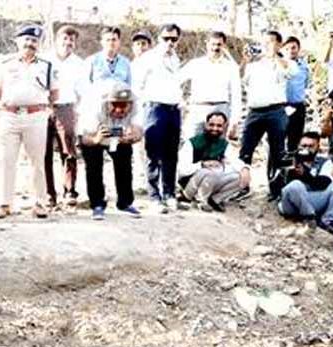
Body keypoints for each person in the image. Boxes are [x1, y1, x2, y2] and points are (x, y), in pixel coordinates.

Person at [0, 24, 55, 220]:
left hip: (35, 117)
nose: (30, 43)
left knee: (37, 162)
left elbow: (54, 93)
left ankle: (39, 203)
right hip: (10, 116)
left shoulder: (46, 65)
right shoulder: (5, 63)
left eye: (34, 40)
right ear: (18, 41)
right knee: (6, 160)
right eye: (26, 40)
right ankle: (4, 203)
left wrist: (42, 109)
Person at [239, 30, 297, 198]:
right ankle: (242, 186)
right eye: (264, 42)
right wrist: (245, 60)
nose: (266, 45)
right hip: (255, 111)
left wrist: (275, 56)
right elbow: (241, 78)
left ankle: (276, 190)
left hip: (276, 111)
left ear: (279, 44)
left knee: (277, 151)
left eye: (270, 41)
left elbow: (291, 72)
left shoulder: (286, 62)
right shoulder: (254, 64)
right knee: (246, 149)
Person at [134, 23, 183, 213]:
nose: (170, 42)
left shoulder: (175, 59)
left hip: (173, 110)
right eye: (166, 38)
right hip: (154, 109)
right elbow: (137, 87)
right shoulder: (148, 58)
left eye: (174, 39)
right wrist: (140, 115)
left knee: (171, 154)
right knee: (153, 153)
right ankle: (154, 196)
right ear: (159, 39)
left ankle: (169, 193)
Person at [78, 83, 143, 220]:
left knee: (125, 165)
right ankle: (97, 204)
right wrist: (96, 139)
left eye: (124, 105)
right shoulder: (94, 109)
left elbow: (139, 133)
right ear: (107, 103)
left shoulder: (136, 108)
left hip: (119, 138)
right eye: (115, 105)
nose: (119, 110)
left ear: (130, 104)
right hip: (94, 135)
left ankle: (125, 203)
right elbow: (84, 139)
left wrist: (130, 138)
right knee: (94, 167)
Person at [177, 111, 250, 211]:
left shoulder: (224, 144)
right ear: (206, 125)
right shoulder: (191, 143)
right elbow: (182, 170)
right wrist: (202, 164)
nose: (215, 128)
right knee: (208, 172)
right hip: (191, 183)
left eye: (219, 126)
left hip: (211, 181)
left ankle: (215, 200)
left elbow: (235, 160)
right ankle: (197, 200)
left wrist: (245, 169)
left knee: (239, 176)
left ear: (224, 127)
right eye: (211, 125)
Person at [44, 24, 83, 208]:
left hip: (66, 109)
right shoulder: (45, 59)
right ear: (57, 40)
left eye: (71, 40)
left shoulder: (79, 64)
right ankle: (49, 194)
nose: (68, 43)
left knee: (68, 152)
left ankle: (69, 191)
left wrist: (78, 112)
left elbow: (82, 91)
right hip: (44, 108)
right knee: (44, 154)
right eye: (64, 39)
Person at [180, 31, 242, 139]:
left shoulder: (231, 67)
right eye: (213, 44)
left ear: (224, 45)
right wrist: (182, 103)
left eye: (219, 44)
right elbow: (175, 82)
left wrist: (234, 120)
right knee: (192, 144)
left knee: (217, 147)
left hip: (221, 110)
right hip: (198, 110)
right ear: (207, 44)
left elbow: (236, 95)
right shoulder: (195, 64)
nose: (215, 47)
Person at [278, 131, 333, 228]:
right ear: (298, 146)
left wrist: (305, 174)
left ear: (318, 147)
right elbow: (280, 188)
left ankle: (327, 221)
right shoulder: (290, 159)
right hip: (290, 205)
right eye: (303, 146)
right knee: (295, 185)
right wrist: (287, 172)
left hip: (312, 199)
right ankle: (309, 216)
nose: (306, 149)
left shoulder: (324, 162)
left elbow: (324, 183)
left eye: (311, 146)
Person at [85, 26, 131, 101]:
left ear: (119, 42)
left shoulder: (126, 63)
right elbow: (85, 85)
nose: (111, 43)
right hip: (98, 103)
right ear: (102, 42)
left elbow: (129, 85)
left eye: (114, 40)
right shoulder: (91, 61)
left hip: (120, 104)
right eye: (108, 40)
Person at [283, 36, 310, 154]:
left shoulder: (304, 66)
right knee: (276, 140)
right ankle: (273, 165)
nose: (291, 51)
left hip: (298, 107)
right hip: (281, 107)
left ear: (298, 49)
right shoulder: (279, 65)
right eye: (287, 48)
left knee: (295, 141)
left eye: (293, 47)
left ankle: (292, 164)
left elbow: (306, 84)